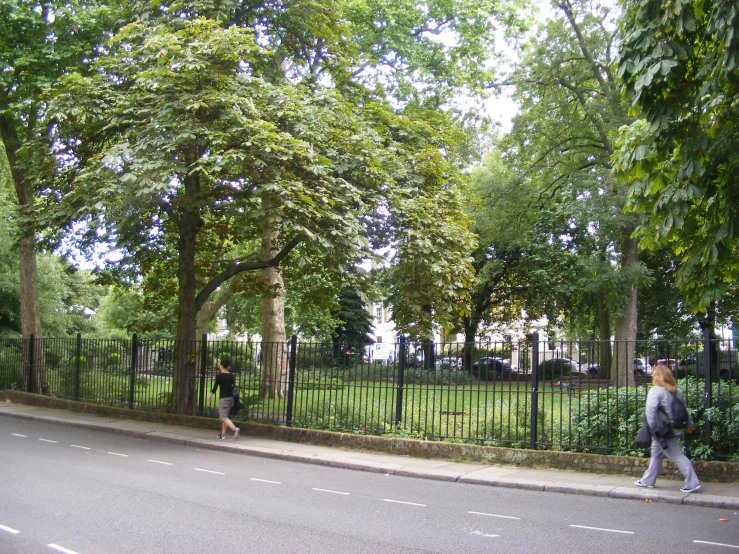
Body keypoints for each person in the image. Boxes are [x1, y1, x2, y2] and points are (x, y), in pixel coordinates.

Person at [635, 364, 700, 492]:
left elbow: (650, 412)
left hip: (662, 430)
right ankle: (648, 480)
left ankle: (693, 483)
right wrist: (689, 425)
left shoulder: (656, 391)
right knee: (656, 454)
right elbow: (683, 411)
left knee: (677, 455)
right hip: (672, 428)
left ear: (657, 376)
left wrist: (653, 429)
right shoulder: (676, 391)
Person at [207, 357, 240, 440]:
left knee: (222, 417)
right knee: (225, 416)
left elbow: (214, 388)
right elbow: (233, 388)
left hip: (224, 399)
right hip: (231, 398)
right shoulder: (231, 376)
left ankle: (235, 429)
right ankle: (222, 434)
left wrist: (210, 397)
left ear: (221, 365)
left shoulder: (219, 376)